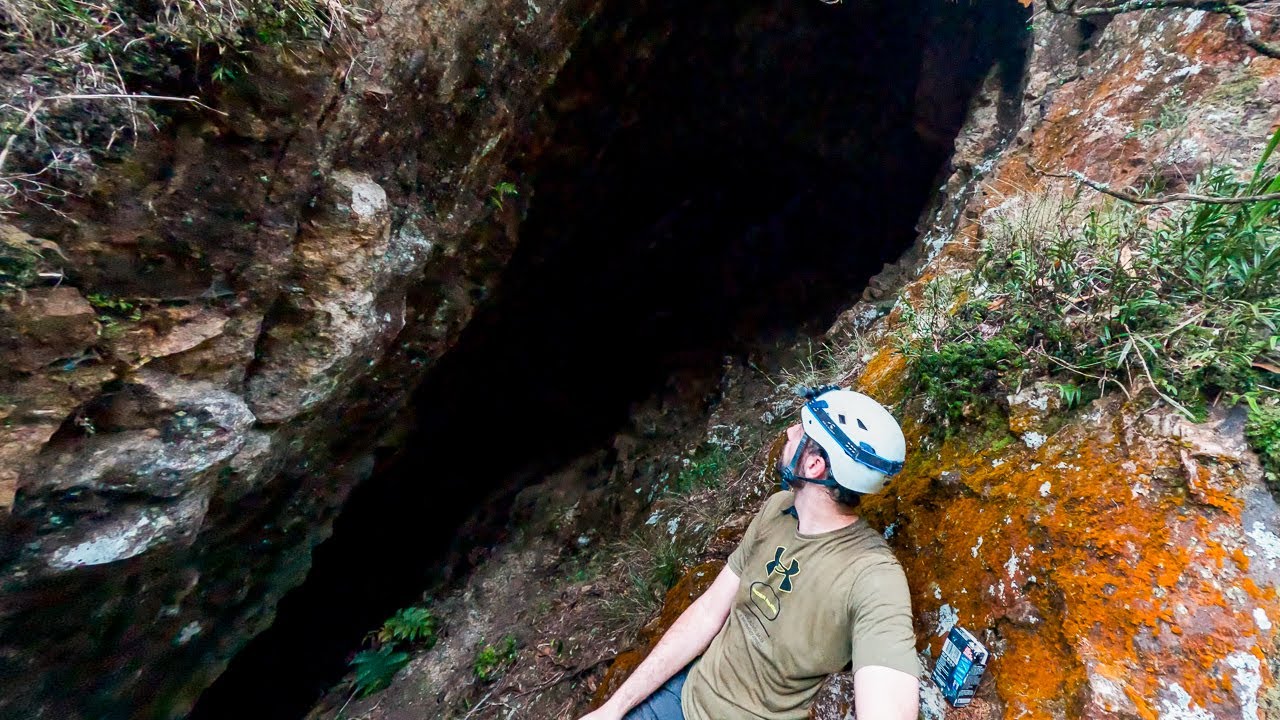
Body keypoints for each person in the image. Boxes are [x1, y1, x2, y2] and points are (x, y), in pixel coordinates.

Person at [580, 386, 921, 720]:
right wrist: (612, 709)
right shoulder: (777, 509)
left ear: (815, 465)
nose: (789, 432)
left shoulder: (874, 576)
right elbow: (708, 613)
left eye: (802, 429)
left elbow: (889, 707)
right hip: (687, 693)